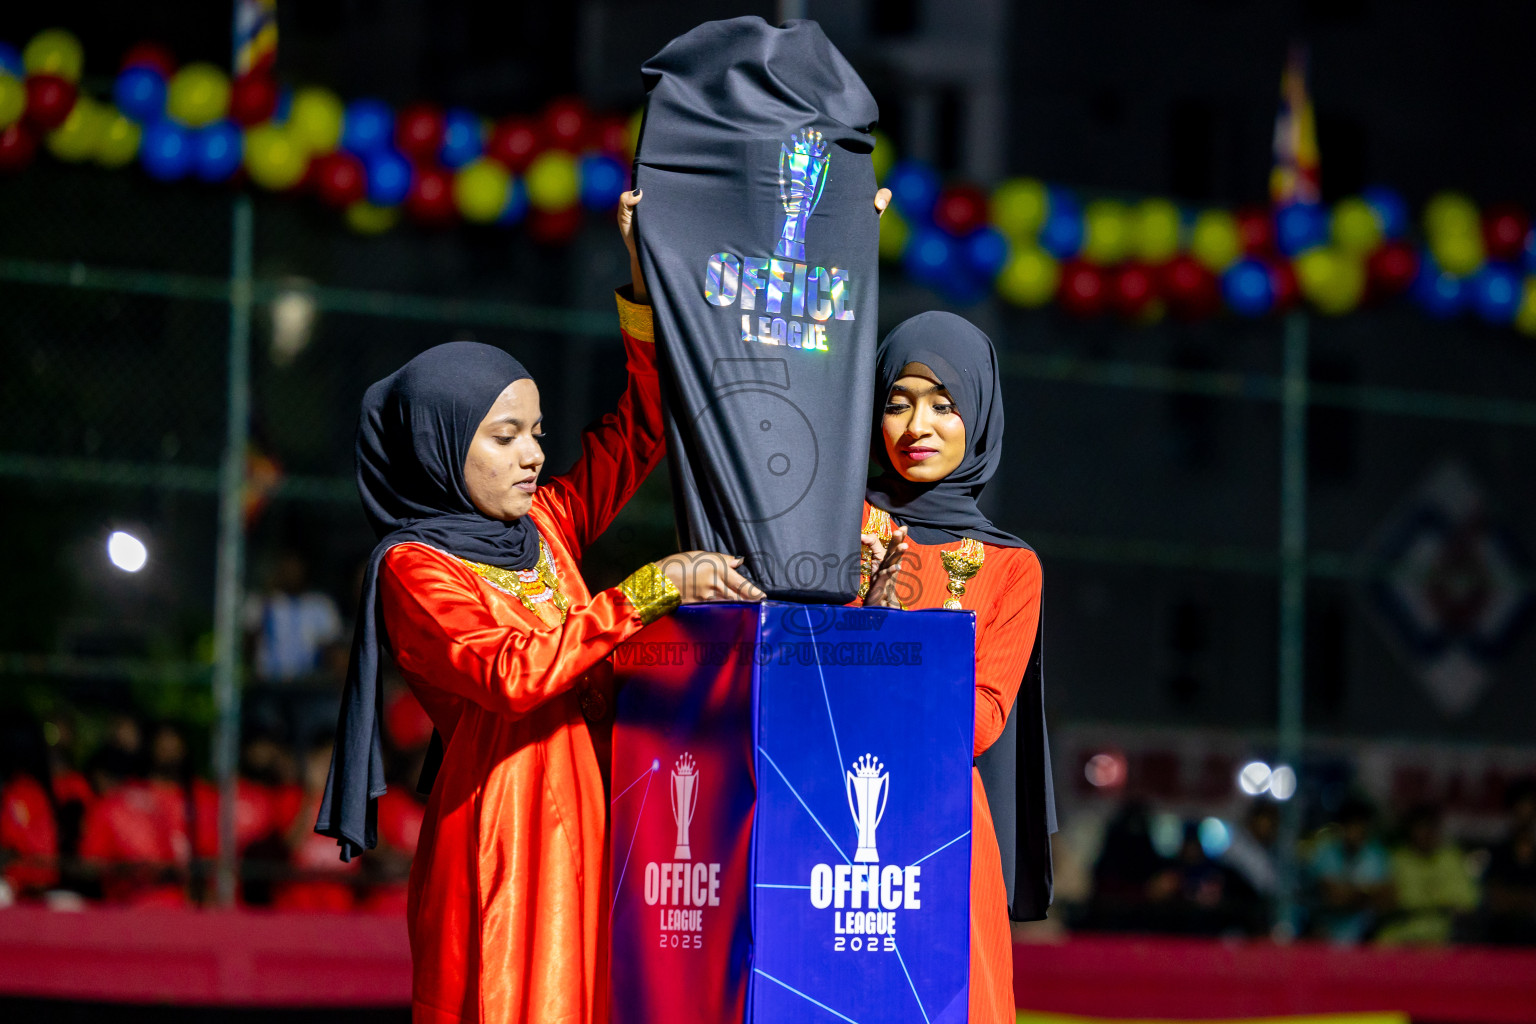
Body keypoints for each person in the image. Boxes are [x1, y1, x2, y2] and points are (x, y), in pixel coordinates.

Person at [316, 190, 763, 1024]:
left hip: (599, 807)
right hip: (502, 833)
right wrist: (655, 586)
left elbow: (640, 429)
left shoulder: (546, 524)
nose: (533, 456)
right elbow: (509, 674)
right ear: (440, 444)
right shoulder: (415, 567)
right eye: (504, 436)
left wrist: (643, 278)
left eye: (536, 433)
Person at [860, 311, 1049, 1024]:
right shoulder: (829, 533)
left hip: (944, 837)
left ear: (980, 415)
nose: (918, 426)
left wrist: (883, 636)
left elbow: (980, 721)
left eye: (944, 405)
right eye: (898, 401)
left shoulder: (1010, 567)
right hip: (821, 818)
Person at [1376, 802, 1478, 945]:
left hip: (1440, 938)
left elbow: (1465, 904)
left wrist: (1419, 903)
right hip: (1398, 936)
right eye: (1420, 828)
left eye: (1431, 827)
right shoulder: (1397, 859)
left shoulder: (1450, 858)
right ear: (1410, 830)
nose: (1426, 833)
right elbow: (1386, 902)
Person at [1307, 796, 1391, 944]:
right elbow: (1335, 898)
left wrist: (1349, 893)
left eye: (1360, 825)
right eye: (1352, 825)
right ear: (1342, 827)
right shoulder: (1325, 852)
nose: (1356, 831)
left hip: (1365, 937)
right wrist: (1366, 894)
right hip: (1327, 935)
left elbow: (1385, 899)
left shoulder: (1376, 855)